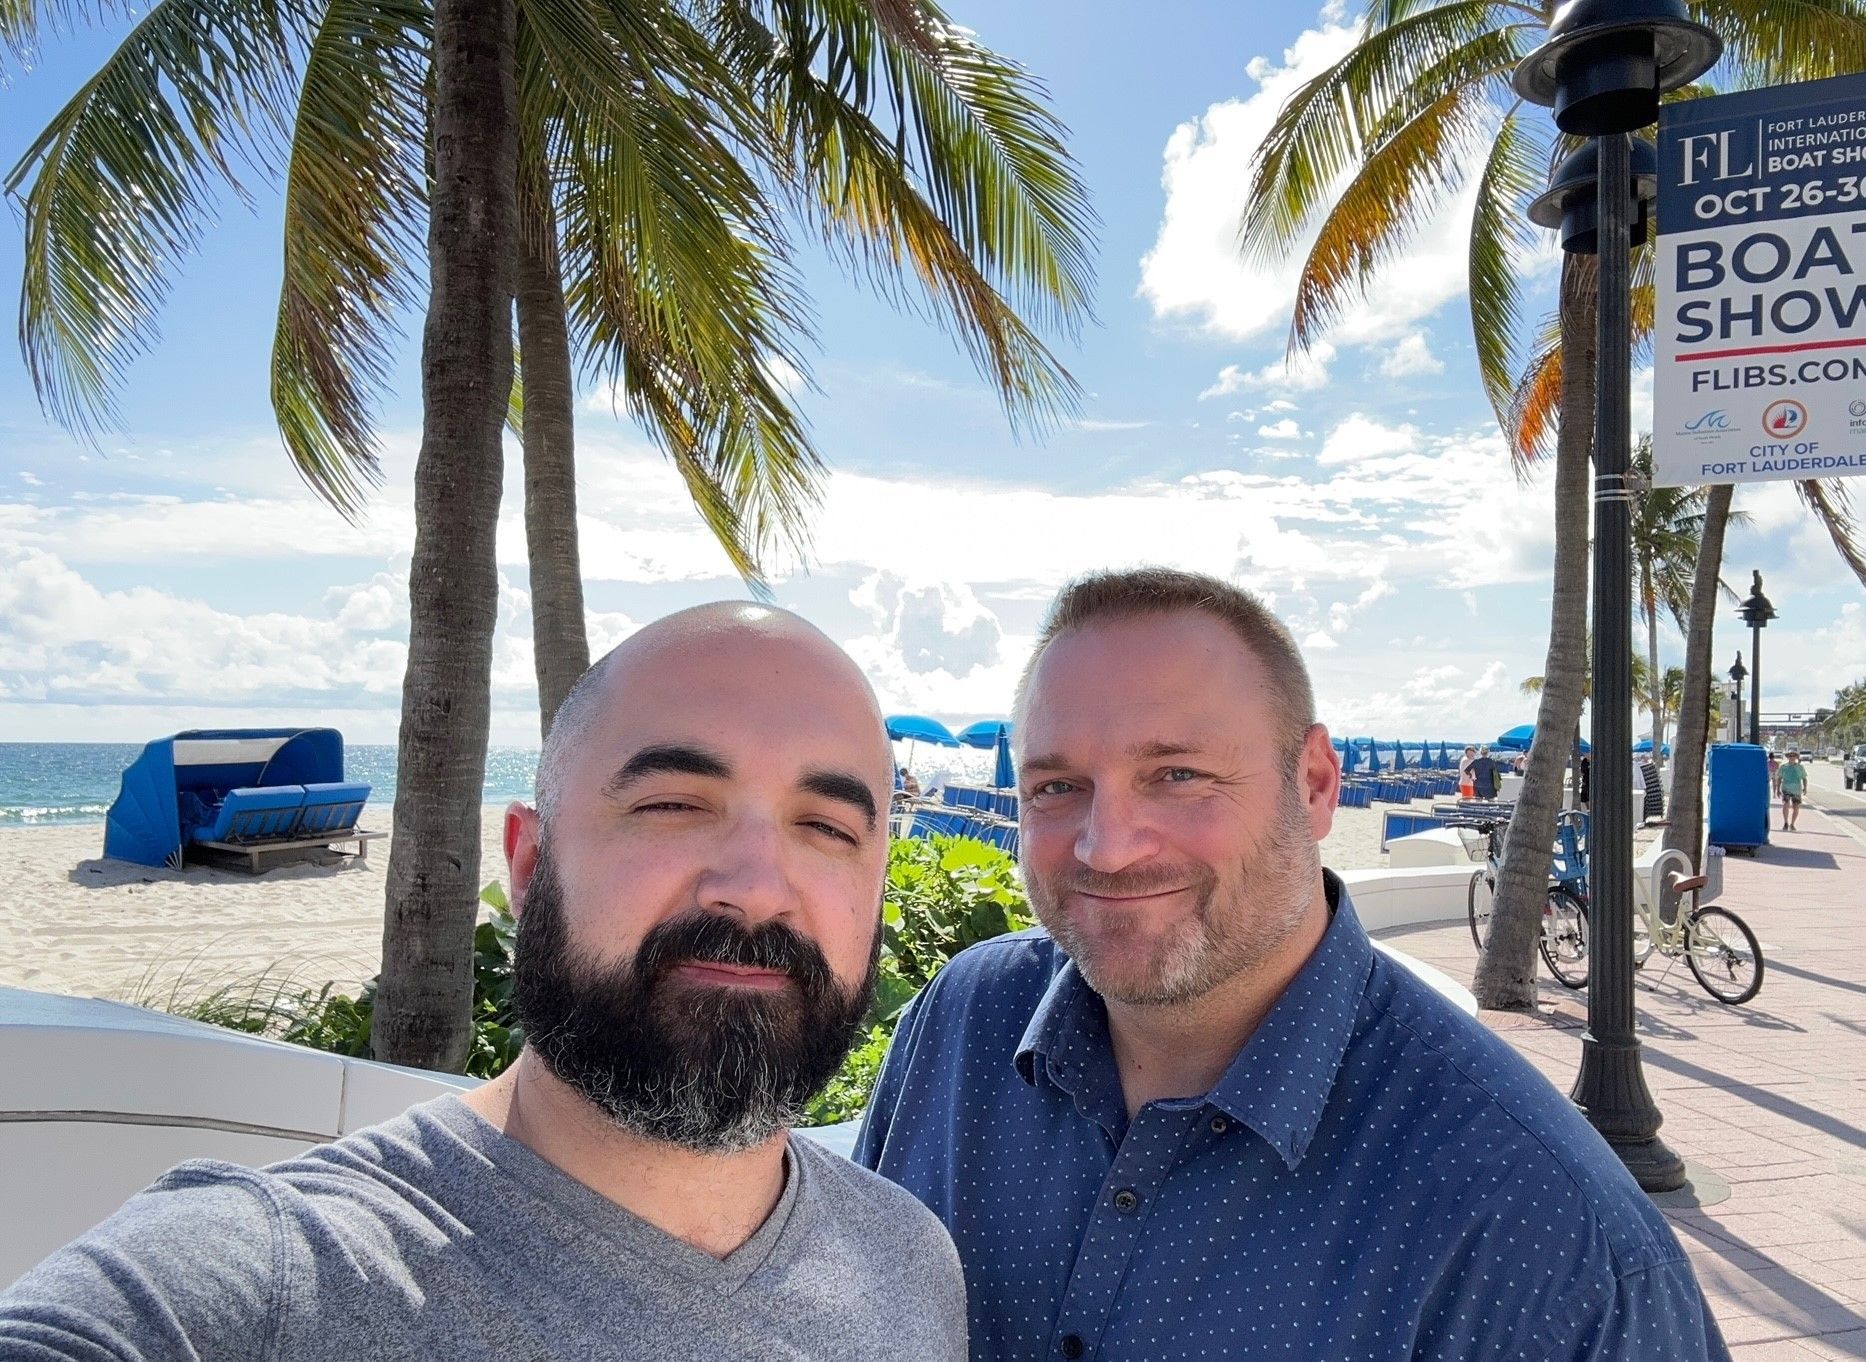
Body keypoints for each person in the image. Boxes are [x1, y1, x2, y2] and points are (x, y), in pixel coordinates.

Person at [0, 604, 967, 1362]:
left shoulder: (913, 1265)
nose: (757, 889)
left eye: (828, 828)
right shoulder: (271, 1284)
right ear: (532, 864)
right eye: (673, 804)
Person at [857, 566, 1727, 1362]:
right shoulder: (963, 1024)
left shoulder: (1548, 1244)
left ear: (1314, 784)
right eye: (1056, 787)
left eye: (1179, 774)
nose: (1107, 847)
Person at [1778, 749, 1808, 831]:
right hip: (1786, 788)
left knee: (1796, 807)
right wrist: (1777, 789)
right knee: (1786, 804)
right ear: (1787, 757)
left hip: (1796, 789)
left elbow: (1804, 778)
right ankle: (1785, 822)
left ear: (1796, 757)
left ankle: (1792, 824)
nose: (1791, 757)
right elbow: (1779, 778)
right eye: (1790, 755)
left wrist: (1805, 788)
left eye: (1793, 755)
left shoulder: (1800, 767)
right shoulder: (1783, 767)